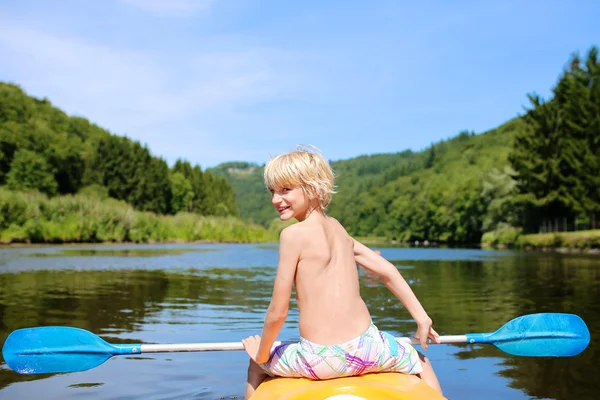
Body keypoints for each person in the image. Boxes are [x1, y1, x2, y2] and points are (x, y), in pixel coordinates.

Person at [242, 146, 442, 399]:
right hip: (369, 348)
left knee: (255, 367)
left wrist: (261, 354)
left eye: (285, 190)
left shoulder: (292, 235)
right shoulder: (338, 229)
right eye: (272, 191)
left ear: (313, 189)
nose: (275, 200)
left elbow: (278, 312)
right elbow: (386, 269)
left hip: (321, 358)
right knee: (420, 360)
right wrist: (422, 318)